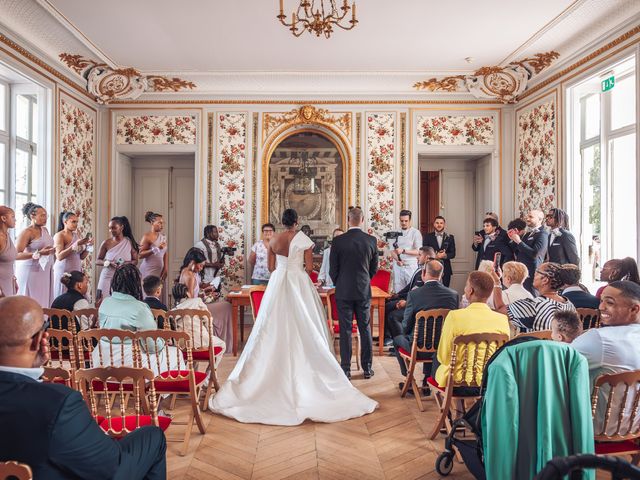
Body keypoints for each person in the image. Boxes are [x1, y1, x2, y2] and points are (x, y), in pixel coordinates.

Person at [210, 208, 377, 425]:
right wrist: (298, 269)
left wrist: (283, 268)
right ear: (297, 222)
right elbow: (308, 267)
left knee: (271, 325)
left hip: (279, 282)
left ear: (282, 221)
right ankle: (355, 367)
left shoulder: (274, 240)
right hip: (299, 282)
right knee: (306, 324)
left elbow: (271, 267)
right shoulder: (304, 239)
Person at [0, 296, 167, 479]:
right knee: (153, 436)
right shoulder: (58, 403)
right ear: (39, 339)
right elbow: (110, 469)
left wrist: (33, 367)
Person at [572, 281, 640, 435]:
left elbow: (557, 363)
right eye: (601, 300)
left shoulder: (600, 338)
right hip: (634, 428)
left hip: (595, 428)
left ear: (634, 309)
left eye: (609, 302)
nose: (601, 307)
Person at [95, 264, 176, 375]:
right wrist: (163, 341)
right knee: (176, 354)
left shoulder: (105, 303)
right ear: (136, 284)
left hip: (102, 360)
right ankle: (166, 391)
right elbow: (151, 346)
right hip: (130, 362)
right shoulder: (140, 308)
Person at [433, 272, 510, 388]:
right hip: (489, 379)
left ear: (470, 291)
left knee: (438, 360)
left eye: (466, 286)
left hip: (457, 380)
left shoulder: (455, 316)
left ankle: (455, 406)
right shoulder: (502, 319)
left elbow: (444, 356)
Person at [392, 261, 459, 394]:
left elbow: (405, 326)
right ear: (442, 275)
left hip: (418, 348)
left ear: (423, 273)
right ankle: (426, 381)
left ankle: (409, 379)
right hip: (441, 348)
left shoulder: (415, 295)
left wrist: (409, 332)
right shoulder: (453, 295)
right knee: (434, 338)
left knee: (397, 339)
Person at [330, 206, 379, 379]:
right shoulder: (371, 240)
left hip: (343, 291)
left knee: (345, 330)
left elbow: (332, 270)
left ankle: (346, 369)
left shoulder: (337, 241)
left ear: (348, 219)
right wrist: (364, 280)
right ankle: (366, 368)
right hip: (363, 290)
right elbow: (374, 269)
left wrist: (340, 283)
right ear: (363, 220)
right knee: (365, 329)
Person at [496, 262, 576, 333]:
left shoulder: (533, 305)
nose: (534, 274)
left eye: (537, 272)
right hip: (561, 349)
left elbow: (499, 311)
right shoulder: (570, 305)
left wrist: (496, 283)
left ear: (545, 280)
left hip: (537, 349)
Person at [178, 248, 232, 347]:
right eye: (201, 265)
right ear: (193, 262)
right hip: (194, 310)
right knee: (227, 306)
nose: (202, 268)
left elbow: (192, 295)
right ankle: (222, 341)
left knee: (225, 306)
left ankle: (218, 337)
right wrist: (204, 297)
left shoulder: (185, 271)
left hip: (195, 305)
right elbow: (190, 301)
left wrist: (205, 293)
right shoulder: (190, 276)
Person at [385, 246, 435, 341]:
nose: (417, 257)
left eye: (419, 255)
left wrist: (405, 302)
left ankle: (399, 341)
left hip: (416, 305)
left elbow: (418, 293)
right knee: (387, 302)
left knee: (392, 314)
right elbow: (410, 287)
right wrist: (397, 295)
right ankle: (387, 336)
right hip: (411, 299)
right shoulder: (420, 268)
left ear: (427, 257)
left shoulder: (428, 272)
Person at [15, 203, 55, 307]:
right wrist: (39, 253)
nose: (45, 218)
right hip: (31, 271)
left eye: (46, 215)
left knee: (44, 302)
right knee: (31, 302)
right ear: (32, 216)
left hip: (45, 271)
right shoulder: (27, 232)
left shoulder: (45, 230)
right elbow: (16, 255)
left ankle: (42, 321)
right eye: (42, 215)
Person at [172, 283, 226, 358]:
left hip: (182, 344)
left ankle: (191, 369)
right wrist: (209, 334)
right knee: (222, 345)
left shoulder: (173, 311)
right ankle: (210, 370)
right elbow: (208, 319)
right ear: (187, 293)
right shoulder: (197, 301)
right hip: (201, 340)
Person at [96, 216, 139, 302]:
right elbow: (97, 261)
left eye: (114, 228)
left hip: (123, 278)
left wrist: (125, 264)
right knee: (104, 301)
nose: (111, 230)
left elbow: (135, 261)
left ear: (121, 227)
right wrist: (108, 262)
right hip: (107, 277)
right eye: (110, 228)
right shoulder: (106, 243)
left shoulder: (129, 242)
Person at [507, 210, 549, 294]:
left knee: (532, 297)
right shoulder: (527, 234)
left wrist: (519, 241)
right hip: (522, 273)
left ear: (540, 219)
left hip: (532, 273)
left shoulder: (543, 234)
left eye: (531, 217)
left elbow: (535, 254)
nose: (527, 218)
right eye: (527, 216)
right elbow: (517, 250)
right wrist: (513, 239)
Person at [52, 211, 92, 298]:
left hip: (76, 269)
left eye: (77, 221)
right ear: (65, 222)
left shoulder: (76, 235)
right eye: (73, 221)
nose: (76, 224)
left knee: (76, 296)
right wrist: (76, 244)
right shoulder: (59, 235)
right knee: (63, 295)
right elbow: (59, 256)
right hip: (64, 269)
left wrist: (89, 246)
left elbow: (81, 256)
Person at [389, 210, 422, 292]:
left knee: (411, 290)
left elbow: (419, 251)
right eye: (402, 221)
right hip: (398, 265)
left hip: (411, 265)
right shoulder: (394, 232)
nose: (403, 223)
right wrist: (398, 260)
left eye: (406, 221)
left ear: (410, 220)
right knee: (398, 289)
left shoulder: (416, 233)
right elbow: (392, 250)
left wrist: (403, 251)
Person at [138, 212, 168, 296]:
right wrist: (156, 249)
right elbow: (140, 255)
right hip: (148, 270)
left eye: (163, 223)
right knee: (149, 293)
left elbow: (165, 252)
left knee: (158, 293)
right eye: (159, 223)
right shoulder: (146, 237)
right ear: (152, 223)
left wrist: (165, 267)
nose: (162, 225)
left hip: (159, 270)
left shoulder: (163, 236)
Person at [422, 216, 456, 287]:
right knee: (431, 290)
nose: (439, 225)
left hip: (446, 269)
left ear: (444, 225)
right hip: (431, 268)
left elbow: (453, 254)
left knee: (445, 290)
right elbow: (424, 252)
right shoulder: (427, 236)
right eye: (437, 223)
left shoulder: (450, 237)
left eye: (441, 223)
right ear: (434, 224)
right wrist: (435, 256)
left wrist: (445, 255)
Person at [0, 206, 18, 297]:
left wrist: (13, 278)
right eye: (13, 217)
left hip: (8, 281)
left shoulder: (6, 234)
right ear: (3, 218)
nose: (15, 220)